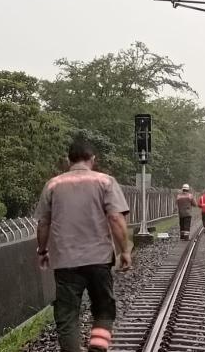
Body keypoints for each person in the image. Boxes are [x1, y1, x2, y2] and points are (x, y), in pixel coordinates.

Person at [34, 140, 131, 352]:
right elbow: (115, 218)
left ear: (68, 160)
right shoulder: (105, 181)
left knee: (67, 315)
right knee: (104, 310)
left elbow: (43, 223)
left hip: (65, 261)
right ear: (92, 159)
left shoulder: (53, 184)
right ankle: (97, 349)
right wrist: (125, 250)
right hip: (99, 259)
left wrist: (42, 250)